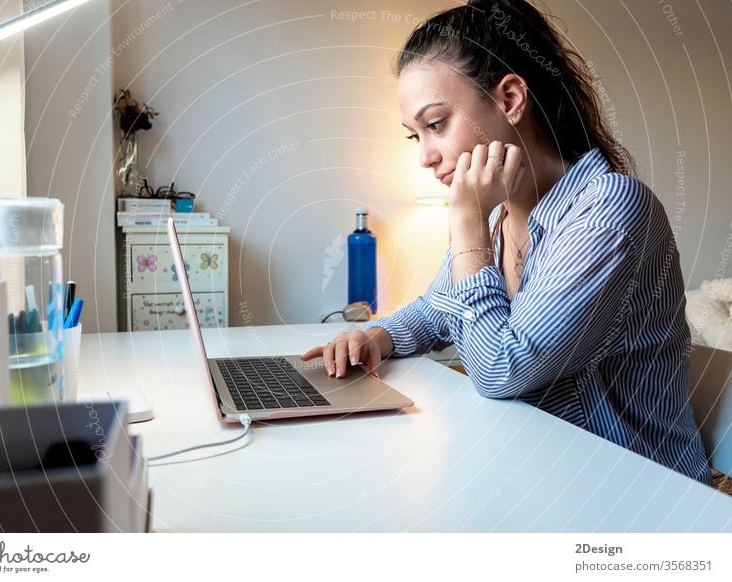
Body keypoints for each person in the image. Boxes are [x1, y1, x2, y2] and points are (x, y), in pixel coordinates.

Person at [301, 0, 711, 484]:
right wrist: (377, 336)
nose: (427, 158)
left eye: (436, 124)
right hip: (539, 469)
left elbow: (502, 369)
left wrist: (467, 223)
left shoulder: (608, 208)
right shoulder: (496, 216)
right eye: (416, 136)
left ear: (511, 98)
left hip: (636, 492)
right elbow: (437, 308)